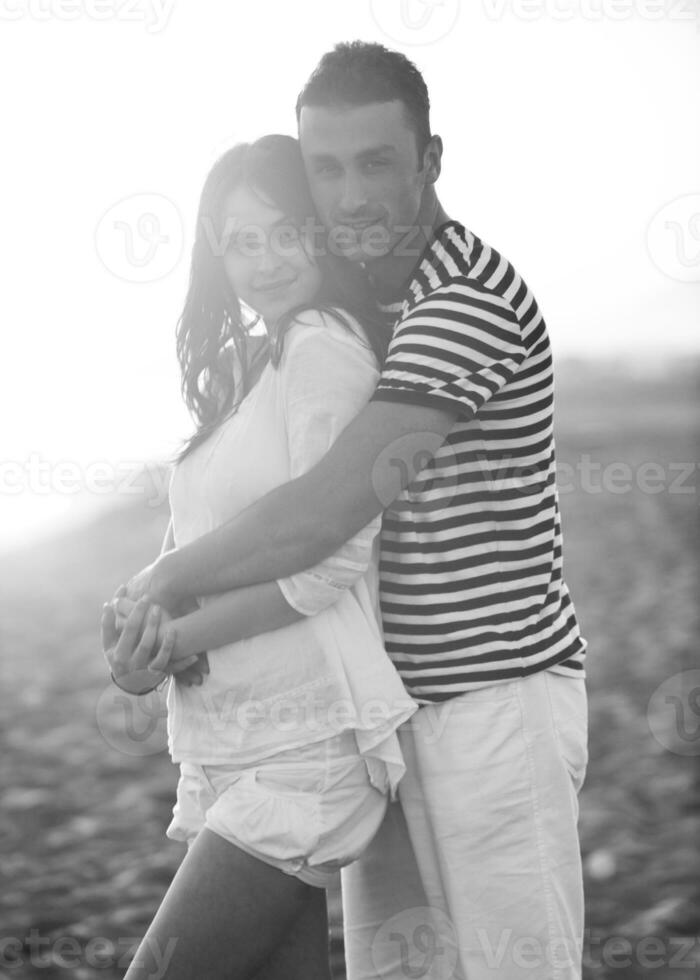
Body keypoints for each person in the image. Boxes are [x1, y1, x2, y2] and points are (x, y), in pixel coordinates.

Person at [118, 42, 589, 980]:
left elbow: (322, 516)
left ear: (431, 159)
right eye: (326, 169)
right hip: (389, 713)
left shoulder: (463, 301)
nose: (352, 194)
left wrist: (162, 584)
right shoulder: (359, 307)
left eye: (378, 162)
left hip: (491, 703)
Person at [101, 133, 416, 980]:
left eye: (285, 232)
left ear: (318, 231)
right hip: (233, 735)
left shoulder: (323, 349)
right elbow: (200, 542)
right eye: (242, 240)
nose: (267, 260)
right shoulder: (253, 361)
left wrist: (181, 635)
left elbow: (326, 564)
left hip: (304, 739)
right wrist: (137, 635)